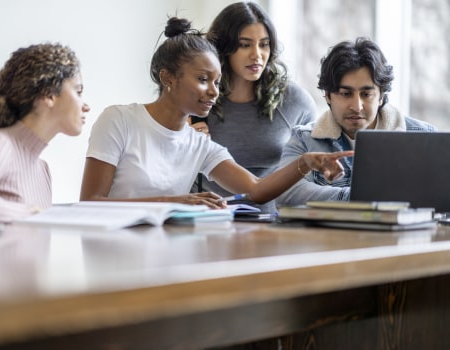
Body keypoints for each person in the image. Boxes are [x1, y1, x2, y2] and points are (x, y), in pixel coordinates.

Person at [79, 17, 352, 208]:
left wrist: (304, 162)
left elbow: (256, 190)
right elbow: (91, 203)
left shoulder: (199, 145)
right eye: (202, 79)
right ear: (168, 78)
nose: (213, 91)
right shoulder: (119, 120)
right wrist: (172, 204)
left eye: (217, 82)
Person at [188, 1, 317, 213]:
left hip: (274, 223)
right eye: (245, 45)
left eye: (264, 44)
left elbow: (312, 176)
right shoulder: (197, 99)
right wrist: (181, 143)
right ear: (224, 48)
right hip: (208, 221)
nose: (256, 55)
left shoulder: (296, 101)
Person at [277, 37, 436, 206]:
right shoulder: (304, 139)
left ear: (381, 97)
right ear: (328, 95)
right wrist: (359, 198)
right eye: (346, 94)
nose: (357, 106)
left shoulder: (426, 138)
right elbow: (286, 193)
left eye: (366, 94)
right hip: (330, 233)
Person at [0, 43, 90, 224]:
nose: (86, 106)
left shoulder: (43, 170)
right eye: (78, 92)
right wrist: (35, 214)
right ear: (49, 95)